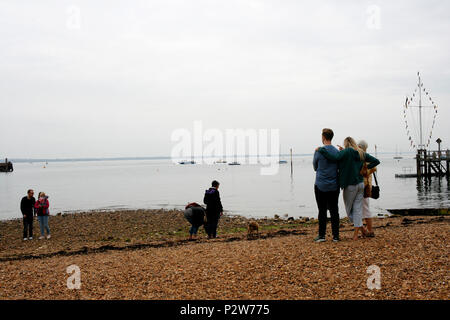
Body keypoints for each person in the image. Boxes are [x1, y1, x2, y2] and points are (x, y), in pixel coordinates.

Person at [318, 137, 380, 240]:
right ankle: (357, 234)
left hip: (350, 185)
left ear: (346, 144)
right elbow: (376, 161)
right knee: (358, 209)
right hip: (360, 185)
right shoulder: (359, 152)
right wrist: (364, 169)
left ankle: (362, 230)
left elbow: (333, 157)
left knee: (349, 210)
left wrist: (321, 150)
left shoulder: (346, 152)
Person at [313, 128, 340, 242]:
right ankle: (336, 236)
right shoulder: (337, 152)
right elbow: (339, 167)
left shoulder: (318, 151)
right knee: (334, 210)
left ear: (323, 137)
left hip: (321, 185)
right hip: (334, 185)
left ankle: (322, 235)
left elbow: (315, 167)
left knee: (322, 210)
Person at [358, 140, 377, 237]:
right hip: (366, 186)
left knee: (364, 209)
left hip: (364, 186)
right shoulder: (365, 157)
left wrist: (364, 169)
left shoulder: (364, 158)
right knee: (364, 208)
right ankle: (366, 230)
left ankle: (368, 230)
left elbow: (367, 171)